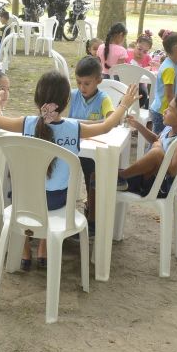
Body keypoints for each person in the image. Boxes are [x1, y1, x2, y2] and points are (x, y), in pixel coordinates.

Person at [0, 71, 139, 270]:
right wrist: (124, 104)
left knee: (19, 191)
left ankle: (24, 249)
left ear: (37, 98)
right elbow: (107, 126)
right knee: (53, 190)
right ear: (67, 100)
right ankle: (44, 247)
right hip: (58, 201)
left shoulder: (26, 123)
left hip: (24, 199)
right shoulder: (74, 128)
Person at [117, 93, 177, 197]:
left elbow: (172, 171)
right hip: (148, 178)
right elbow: (155, 139)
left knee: (156, 153)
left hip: (158, 186)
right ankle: (120, 177)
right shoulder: (169, 129)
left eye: (170, 109)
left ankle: (121, 176)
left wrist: (158, 149)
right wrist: (137, 125)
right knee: (97, 175)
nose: (164, 111)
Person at [68, 56, 115, 233]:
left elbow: (111, 119)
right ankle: (64, 213)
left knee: (93, 178)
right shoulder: (72, 95)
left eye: (87, 83)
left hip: (93, 149)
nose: (82, 87)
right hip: (71, 146)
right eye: (79, 82)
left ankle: (93, 217)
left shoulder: (104, 98)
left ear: (98, 80)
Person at [150, 31, 177, 134]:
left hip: (165, 111)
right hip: (162, 112)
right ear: (175, 47)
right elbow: (169, 95)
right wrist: (176, 112)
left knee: (160, 141)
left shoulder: (174, 65)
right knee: (157, 141)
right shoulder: (169, 68)